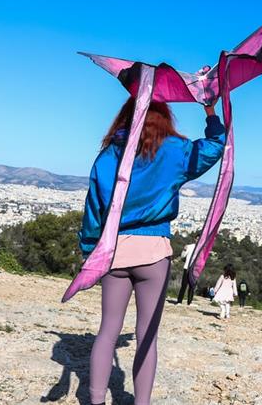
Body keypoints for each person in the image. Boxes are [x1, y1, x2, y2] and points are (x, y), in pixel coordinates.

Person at [79, 98, 225, 405]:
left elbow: (94, 209)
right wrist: (210, 111)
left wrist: (89, 251)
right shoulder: (174, 151)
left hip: (114, 252)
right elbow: (215, 146)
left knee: (107, 332)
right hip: (154, 253)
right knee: (147, 337)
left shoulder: (108, 156)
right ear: (164, 118)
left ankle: (95, 401)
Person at [176, 241, 197, 305]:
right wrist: (184, 250)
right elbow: (183, 256)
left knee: (192, 286)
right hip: (187, 268)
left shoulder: (202, 248)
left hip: (195, 269)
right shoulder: (190, 246)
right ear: (195, 239)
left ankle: (189, 302)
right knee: (184, 285)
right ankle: (179, 301)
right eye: (197, 238)